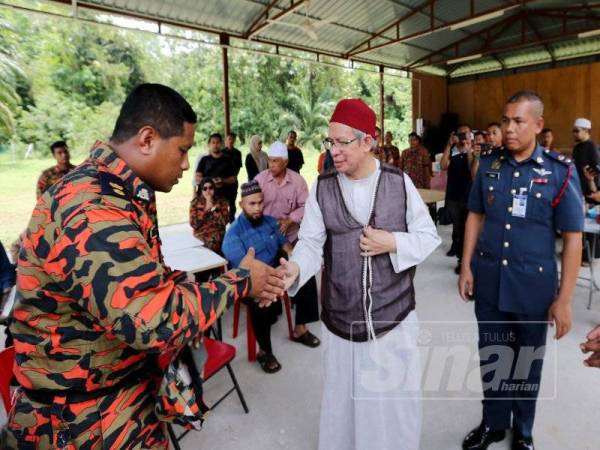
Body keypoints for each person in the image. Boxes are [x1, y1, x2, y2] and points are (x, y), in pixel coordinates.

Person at [0, 84, 284, 449]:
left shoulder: (118, 192)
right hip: (81, 425)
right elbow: (155, 321)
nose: (185, 163)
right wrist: (241, 282)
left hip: (118, 403)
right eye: (181, 150)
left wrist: (209, 291)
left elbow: (148, 281)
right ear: (147, 139)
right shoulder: (91, 208)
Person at [278, 98, 440, 450]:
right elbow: (310, 242)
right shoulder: (323, 186)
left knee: (392, 404)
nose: (333, 151)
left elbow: (429, 236)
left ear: (368, 142)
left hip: (392, 319)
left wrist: (392, 242)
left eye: (342, 142)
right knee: (344, 401)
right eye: (329, 142)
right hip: (341, 318)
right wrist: (295, 269)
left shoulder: (399, 183)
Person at [458, 91, 583, 450]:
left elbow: (573, 238)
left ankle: (523, 431)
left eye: (518, 121)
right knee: (493, 357)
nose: (508, 128)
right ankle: (493, 424)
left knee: (527, 364)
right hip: (490, 282)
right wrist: (466, 265)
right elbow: (475, 215)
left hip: (533, 288)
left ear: (538, 125)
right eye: (506, 120)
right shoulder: (490, 164)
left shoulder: (559, 171)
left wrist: (565, 299)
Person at [222, 181, 294, 373]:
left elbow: (286, 246)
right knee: (260, 297)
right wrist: (271, 278)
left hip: (276, 271)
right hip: (250, 280)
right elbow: (243, 271)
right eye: (252, 204)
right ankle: (264, 351)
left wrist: (294, 263)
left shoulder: (270, 221)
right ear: (241, 205)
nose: (258, 208)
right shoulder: (233, 234)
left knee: (306, 276)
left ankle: (301, 328)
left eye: (260, 203)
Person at [255, 141, 320, 347]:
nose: (271, 165)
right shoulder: (260, 180)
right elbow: (250, 207)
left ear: (285, 162)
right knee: (264, 275)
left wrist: (290, 219)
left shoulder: (298, 181)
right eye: (269, 161)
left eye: (275, 161)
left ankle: (301, 327)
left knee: (305, 272)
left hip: (291, 237)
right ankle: (271, 312)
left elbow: (306, 207)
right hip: (266, 240)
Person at [441, 125, 474, 272]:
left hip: (468, 195)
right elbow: (443, 166)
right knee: (457, 225)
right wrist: (449, 144)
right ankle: (456, 247)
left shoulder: (473, 150)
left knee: (466, 229)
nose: (463, 136)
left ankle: (463, 261)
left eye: (465, 133)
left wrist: (468, 149)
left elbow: (471, 169)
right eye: (460, 134)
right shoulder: (453, 150)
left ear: (470, 135)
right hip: (453, 194)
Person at [195, 133, 237, 222]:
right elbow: (197, 178)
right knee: (207, 223)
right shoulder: (204, 160)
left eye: (217, 143)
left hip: (223, 198)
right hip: (207, 197)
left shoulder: (228, 159)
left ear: (221, 144)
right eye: (213, 143)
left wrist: (222, 180)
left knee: (222, 222)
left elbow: (233, 178)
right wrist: (210, 181)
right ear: (209, 145)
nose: (215, 145)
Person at [189, 177, 230, 254]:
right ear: (201, 190)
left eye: (210, 188)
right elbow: (194, 224)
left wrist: (214, 209)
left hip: (218, 236)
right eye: (205, 188)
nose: (208, 191)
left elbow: (224, 222)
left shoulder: (221, 202)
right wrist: (206, 210)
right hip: (201, 236)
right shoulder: (195, 203)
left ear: (214, 189)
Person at [572, 117, 599, 197]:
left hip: (591, 192)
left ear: (586, 131)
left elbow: (596, 170)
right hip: (578, 189)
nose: (574, 134)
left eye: (577, 131)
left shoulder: (592, 147)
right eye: (573, 131)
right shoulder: (577, 147)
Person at [223, 131, 243, 221]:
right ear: (226, 140)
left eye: (232, 139)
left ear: (234, 140)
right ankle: (223, 219)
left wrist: (233, 177)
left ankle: (232, 220)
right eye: (229, 139)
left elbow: (239, 166)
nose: (230, 141)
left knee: (232, 202)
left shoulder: (237, 153)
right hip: (223, 182)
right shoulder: (222, 152)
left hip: (233, 181)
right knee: (223, 202)